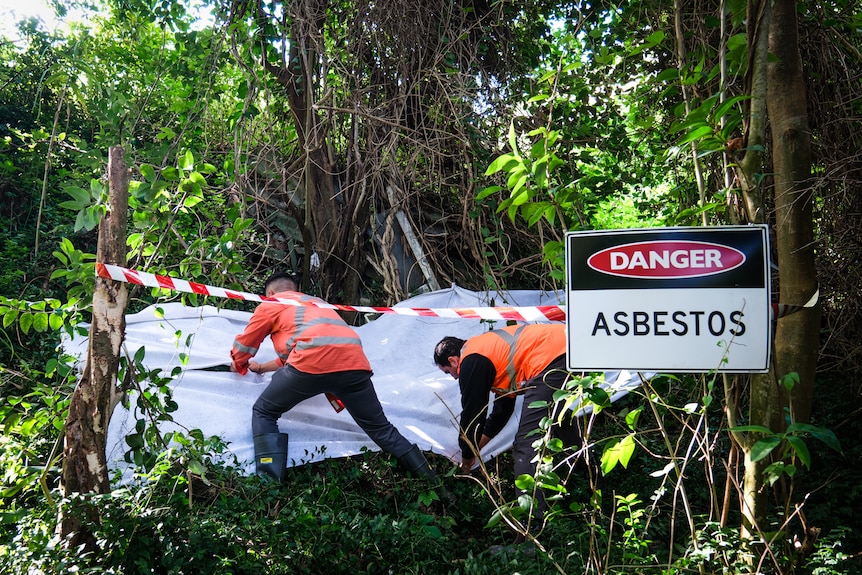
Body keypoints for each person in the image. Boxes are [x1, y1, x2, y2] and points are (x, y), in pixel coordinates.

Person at [231, 271, 436, 483]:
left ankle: (269, 484)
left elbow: (246, 344)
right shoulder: (316, 304)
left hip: (311, 363)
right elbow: (302, 347)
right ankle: (436, 485)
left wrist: (238, 363)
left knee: (264, 411)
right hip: (354, 365)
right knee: (381, 429)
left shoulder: (272, 303)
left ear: (270, 293)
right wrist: (262, 368)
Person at [433, 323, 582, 515]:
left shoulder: (470, 361)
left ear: (453, 360)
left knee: (526, 444)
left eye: (448, 372)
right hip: (567, 349)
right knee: (559, 419)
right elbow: (501, 412)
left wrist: (467, 460)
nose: (453, 378)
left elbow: (473, 416)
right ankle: (592, 477)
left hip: (549, 360)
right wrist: (476, 448)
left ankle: (532, 523)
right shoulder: (488, 352)